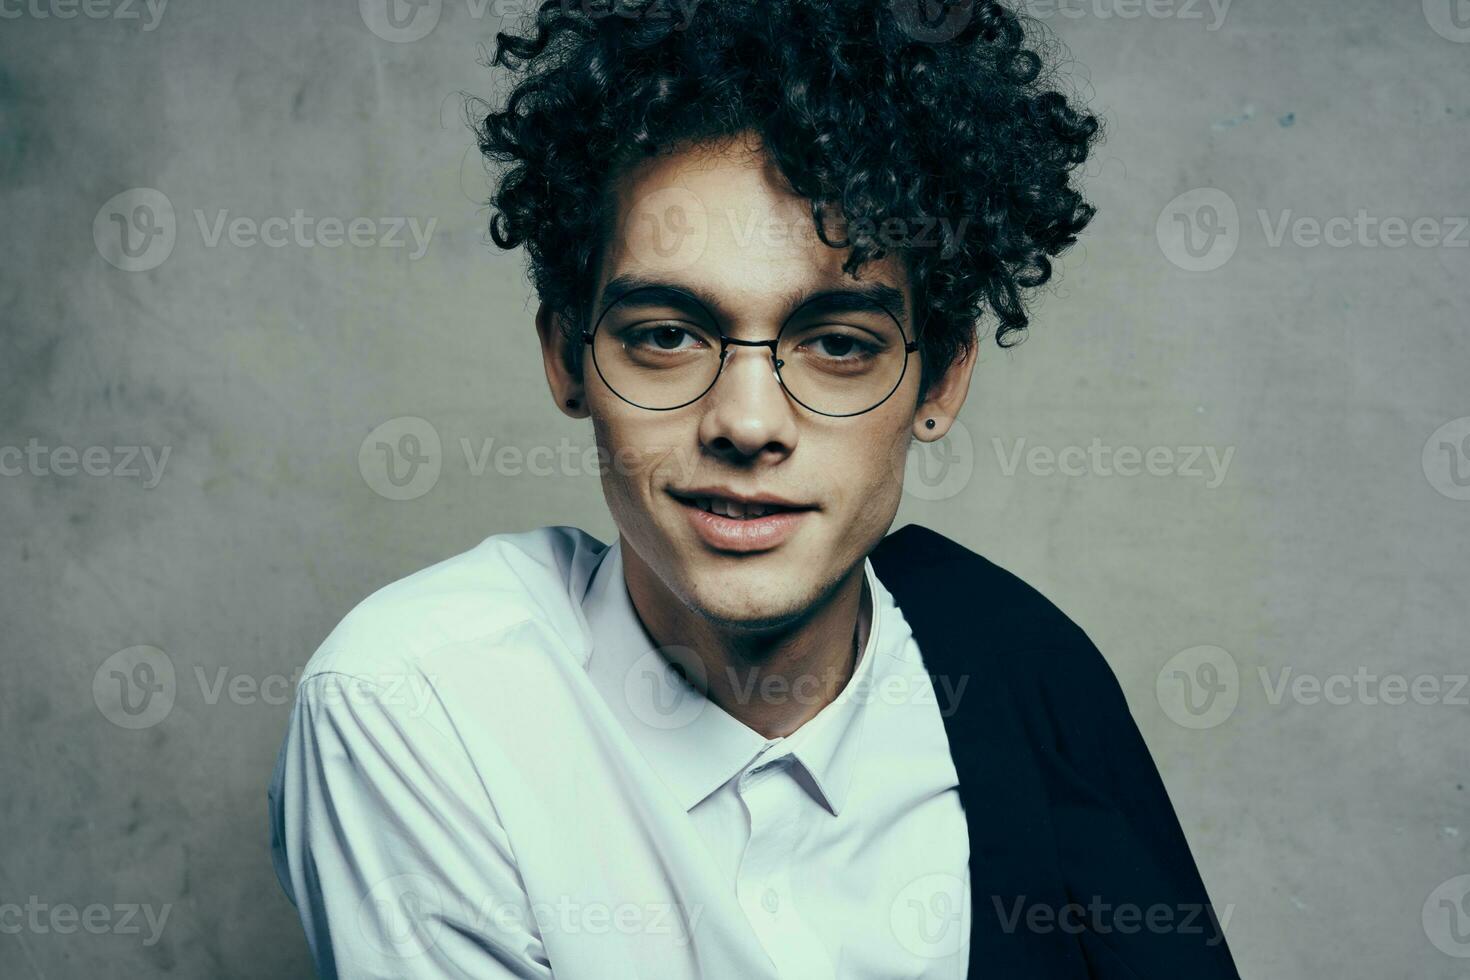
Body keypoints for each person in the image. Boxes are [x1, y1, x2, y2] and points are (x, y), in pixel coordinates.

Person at [268, 1, 1239, 976]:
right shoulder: (421, 700)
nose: (747, 419)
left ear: (938, 379)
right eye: (665, 333)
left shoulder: (1027, 669)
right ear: (568, 356)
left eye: (837, 344)